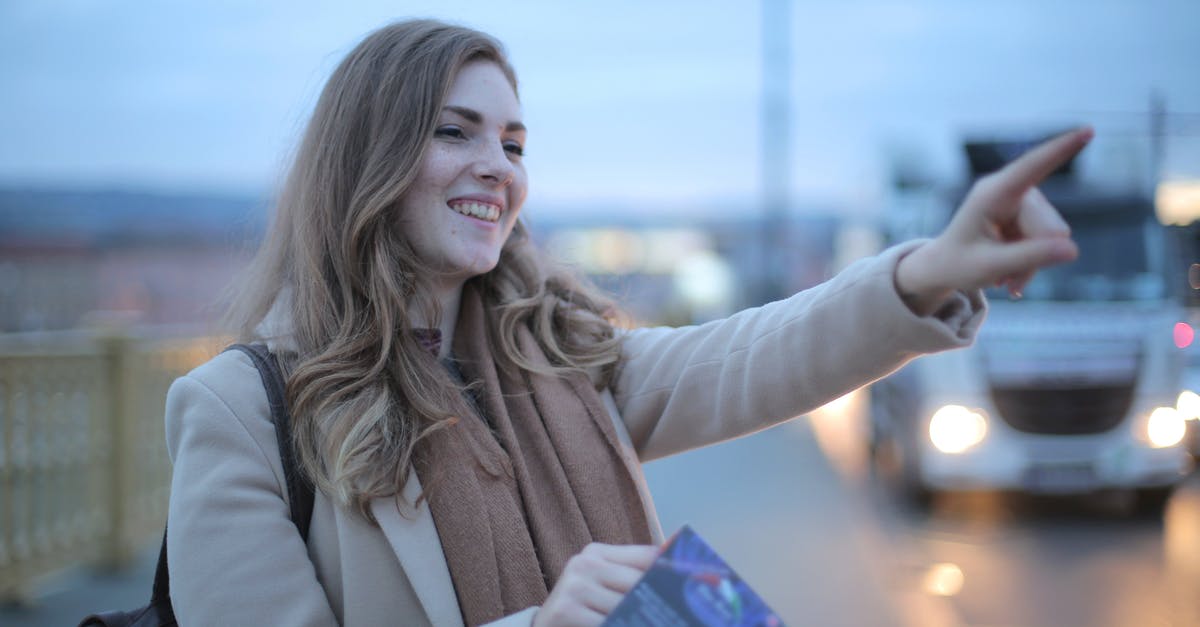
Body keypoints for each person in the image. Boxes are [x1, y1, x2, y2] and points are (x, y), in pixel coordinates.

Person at [163, 18, 1090, 627]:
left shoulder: (558, 357)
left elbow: (759, 354)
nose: (499, 166)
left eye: (514, 143)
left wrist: (927, 273)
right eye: (455, 131)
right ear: (364, 159)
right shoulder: (241, 413)